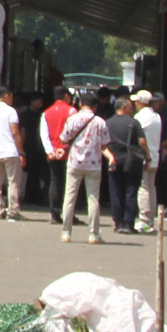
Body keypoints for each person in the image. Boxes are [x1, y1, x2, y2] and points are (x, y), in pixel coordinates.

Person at [56, 95, 107, 244]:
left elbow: (63, 138)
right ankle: (94, 234)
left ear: (79, 104)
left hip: (74, 163)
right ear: (95, 107)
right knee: (93, 199)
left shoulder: (72, 119)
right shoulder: (100, 122)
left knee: (70, 197)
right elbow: (105, 144)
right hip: (94, 164)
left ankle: (66, 232)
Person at [0, 86, 25, 220]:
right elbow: (15, 133)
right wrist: (21, 153)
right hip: (11, 151)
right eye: (11, 97)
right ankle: (13, 211)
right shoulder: (10, 112)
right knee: (13, 182)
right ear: (7, 95)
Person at [104, 96, 143, 235]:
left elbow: (103, 143)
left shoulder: (107, 123)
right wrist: (147, 156)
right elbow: (142, 141)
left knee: (116, 192)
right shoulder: (133, 123)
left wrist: (109, 156)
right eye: (131, 107)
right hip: (130, 160)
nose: (132, 110)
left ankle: (118, 222)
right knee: (131, 190)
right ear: (125, 108)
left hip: (113, 159)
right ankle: (128, 223)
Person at [131, 90, 165, 232]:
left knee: (143, 188)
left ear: (141, 102)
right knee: (151, 187)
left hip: (145, 157)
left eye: (136, 102)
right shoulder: (157, 117)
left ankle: (144, 219)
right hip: (155, 156)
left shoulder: (140, 117)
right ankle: (150, 219)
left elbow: (138, 138)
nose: (135, 104)